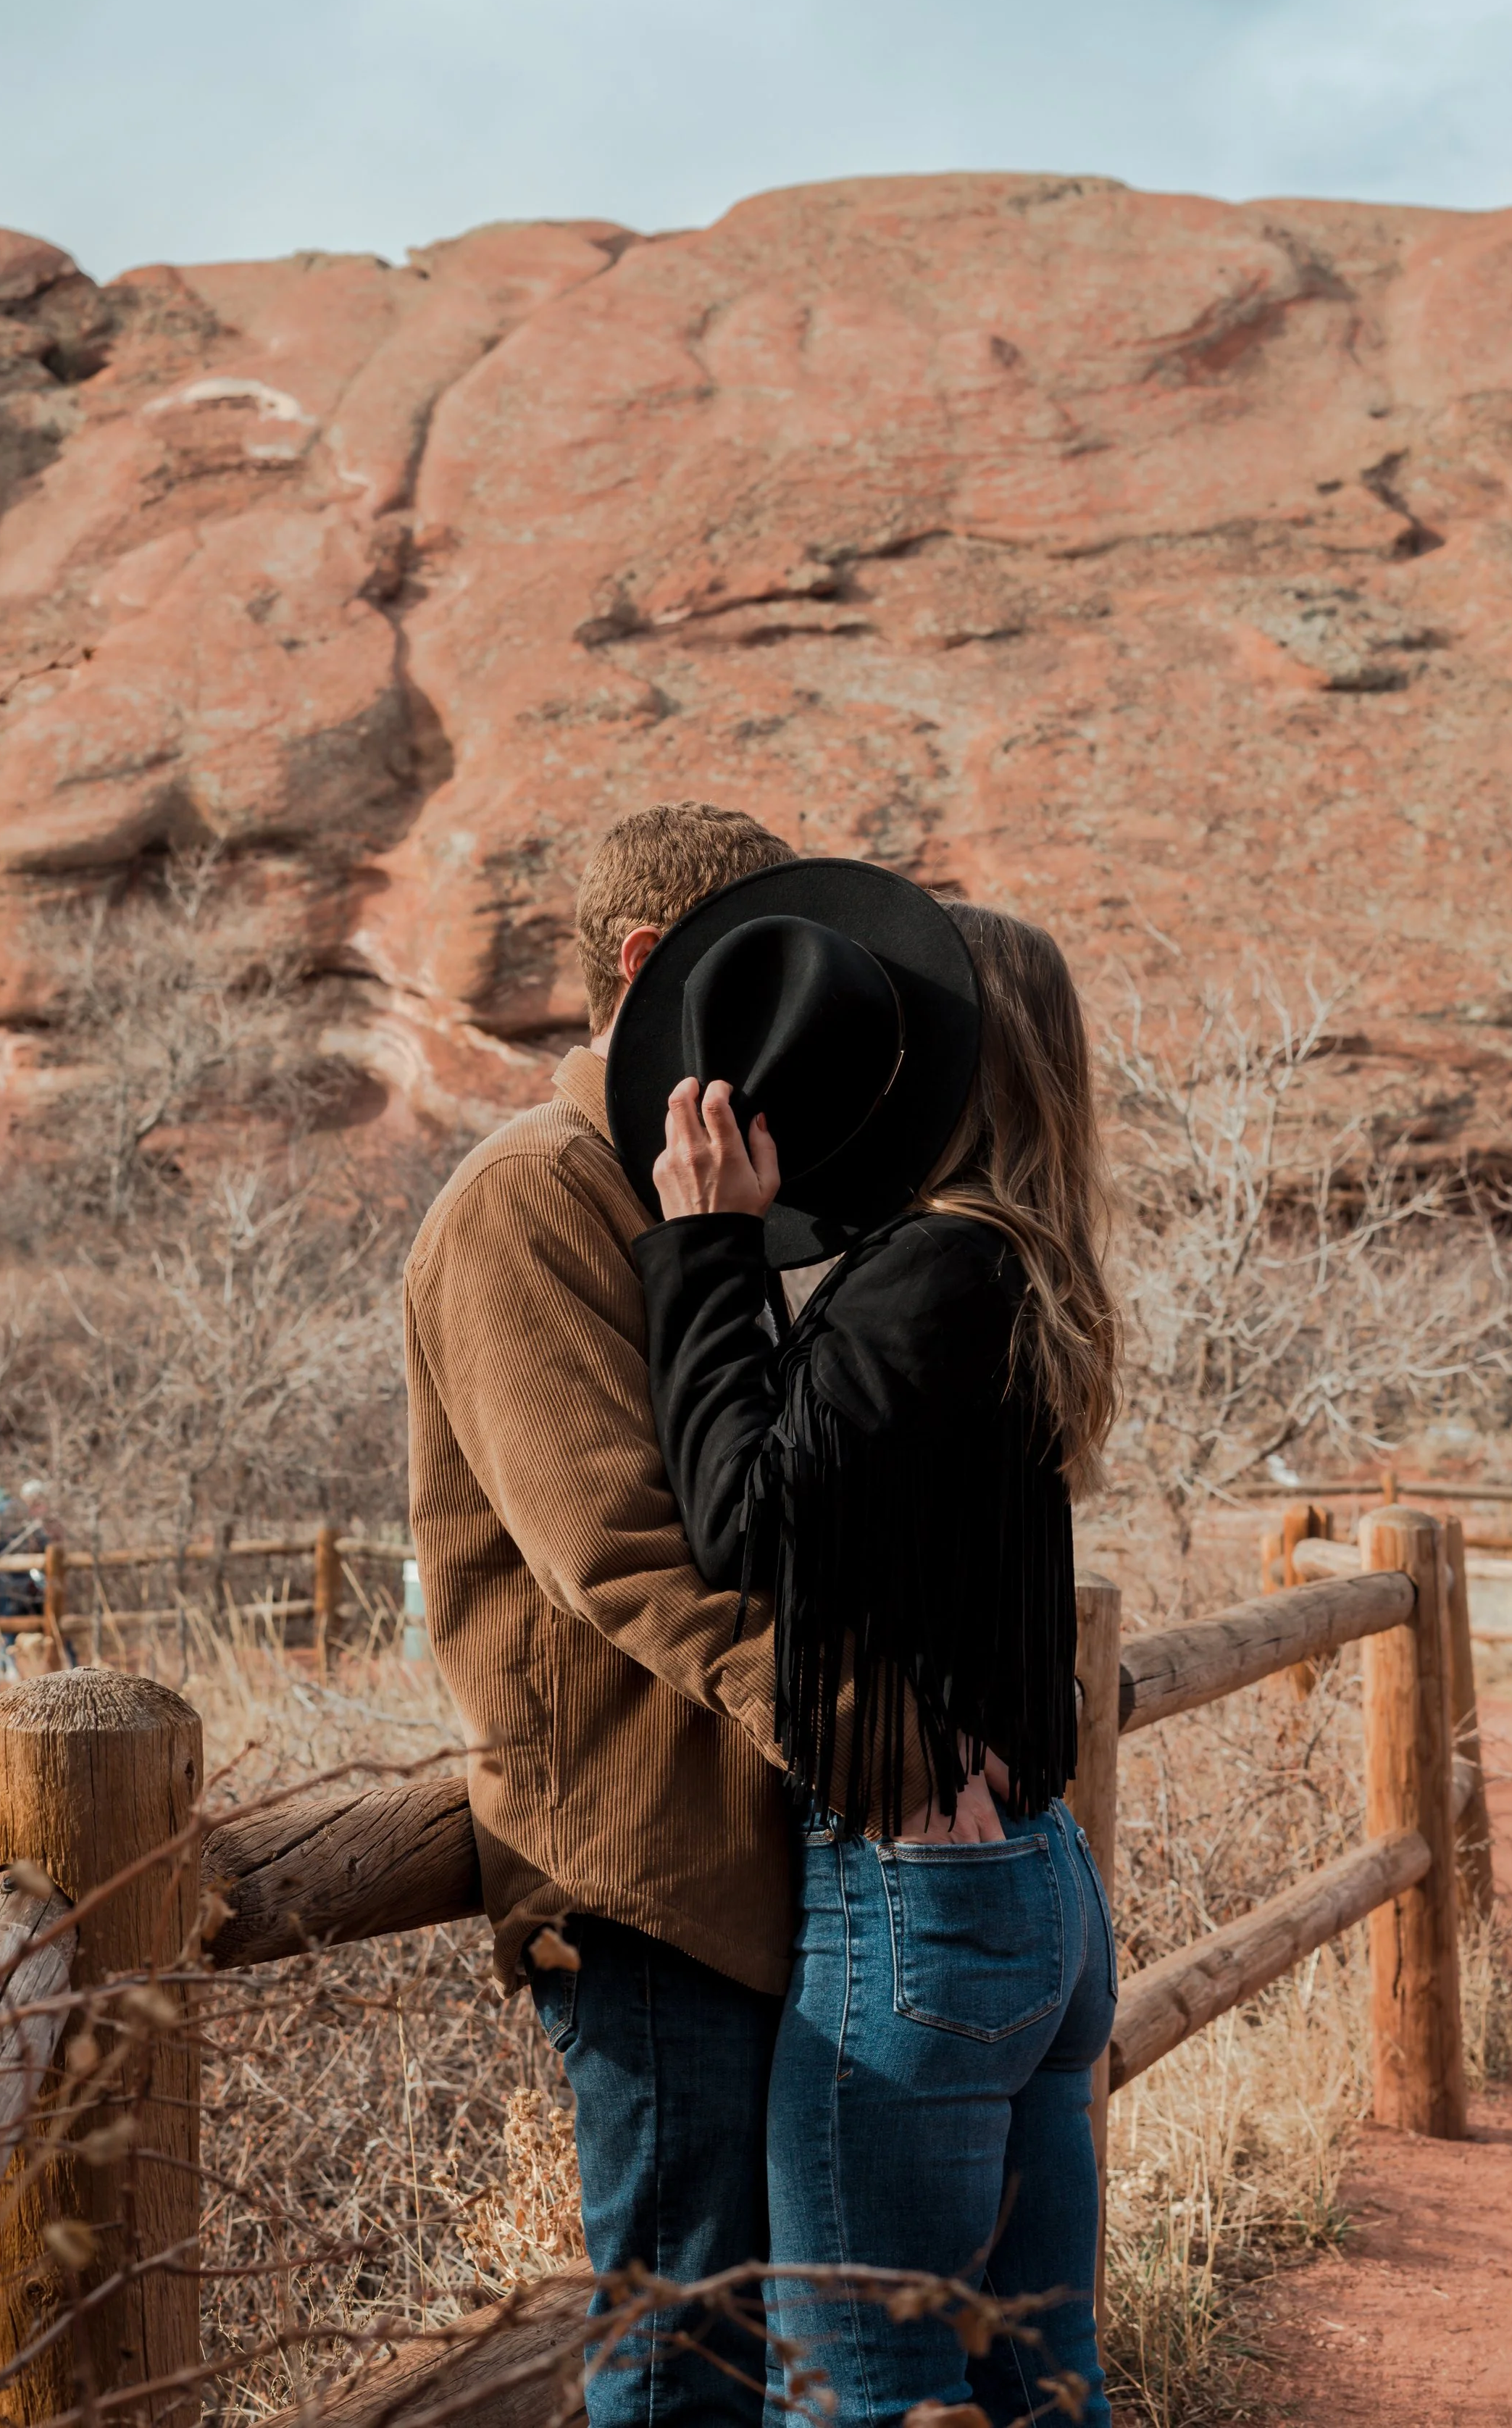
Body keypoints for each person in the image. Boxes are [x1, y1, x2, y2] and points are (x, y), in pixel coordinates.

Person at [610, 875, 1122, 2427]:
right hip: (1027, 1886)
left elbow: (743, 1520)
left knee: (860, 2389)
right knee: (1037, 2376)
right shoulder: (1011, 1267)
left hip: (919, 1901)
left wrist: (704, 1248)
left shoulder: (937, 1271)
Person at [403, 801, 802, 2428]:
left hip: (755, 1853)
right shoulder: (530, 1198)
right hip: (643, 1875)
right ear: (651, 969)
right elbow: (616, 1548)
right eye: (759, 973)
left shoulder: (695, 1188)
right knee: (682, 2353)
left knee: (766, 2331)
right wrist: (854, 1722)